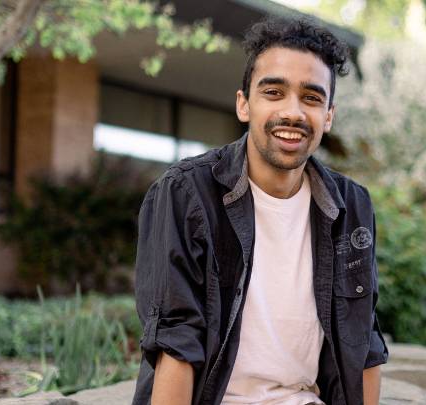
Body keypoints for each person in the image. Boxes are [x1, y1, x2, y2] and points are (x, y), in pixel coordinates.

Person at [132, 17, 388, 405]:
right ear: (244, 104)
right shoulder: (186, 193)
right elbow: (175, 343)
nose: (294, 113)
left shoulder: (352, 206)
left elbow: (363, 343)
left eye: (312, 98)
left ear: (329, 116)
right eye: (274, 92)